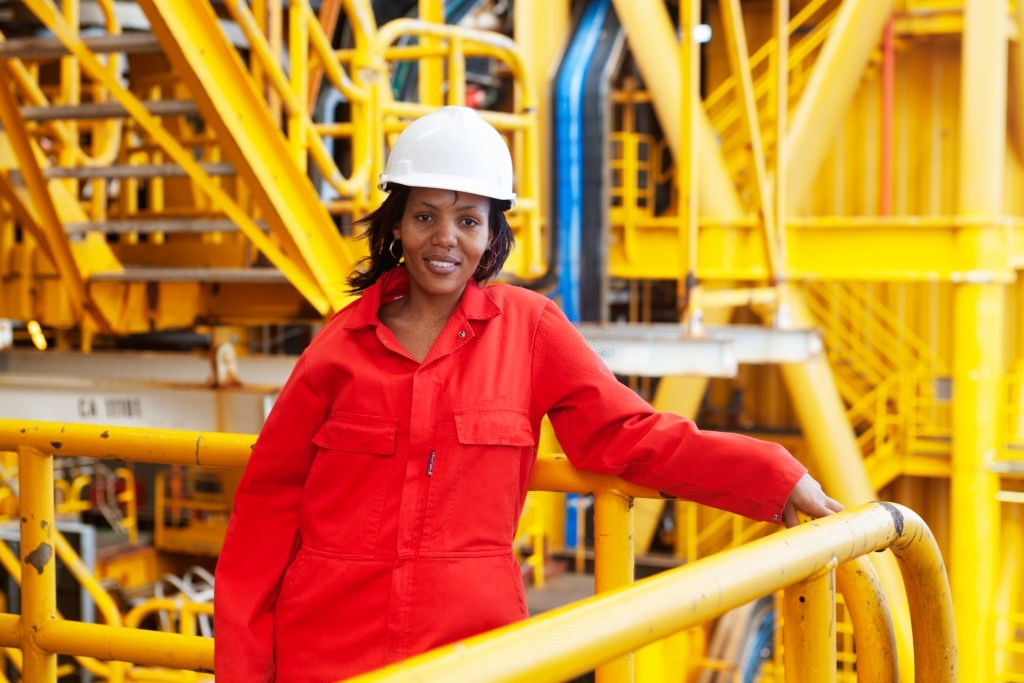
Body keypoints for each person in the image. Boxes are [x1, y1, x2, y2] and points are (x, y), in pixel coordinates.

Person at [213, 105, 843, 682]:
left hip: (474, 651)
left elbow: (626, 435)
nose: (445, 238)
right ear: (397, 226)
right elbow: (266, 511)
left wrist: (772, 475)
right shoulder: (339, 348)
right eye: (425, 215)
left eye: (467, 220)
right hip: (327, 654)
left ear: (492, 236)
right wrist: (243, 671)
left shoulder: (530, 330)